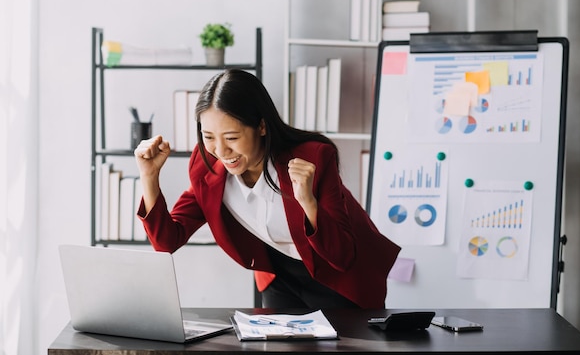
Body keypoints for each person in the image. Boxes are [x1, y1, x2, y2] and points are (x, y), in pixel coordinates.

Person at [134, 68, 400, 309]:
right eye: (208, 137)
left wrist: (308, 202)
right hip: (278, 276)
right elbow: (167, 241)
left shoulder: (314, 157)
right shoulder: (207, 165)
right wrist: (149, 177)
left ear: (261, 126)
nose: (221, 151)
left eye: (232, 138)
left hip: (339, 278)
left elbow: (342, 256)